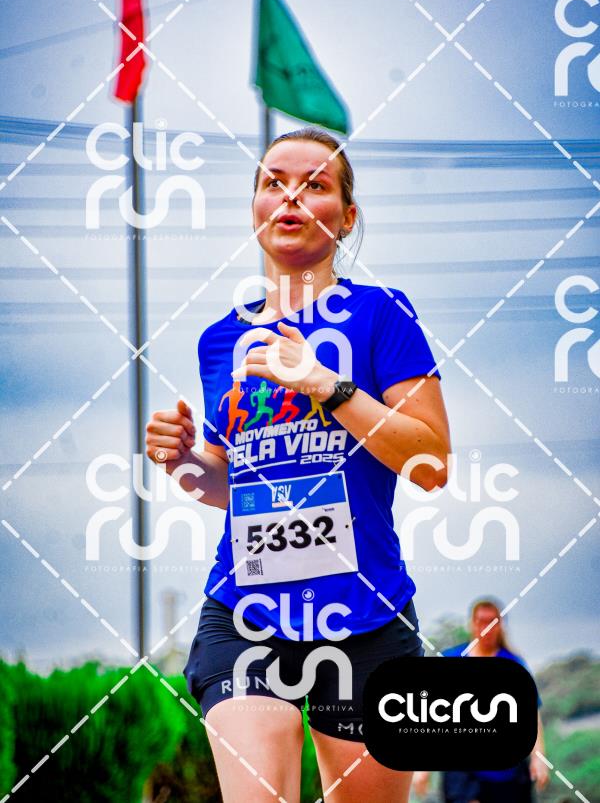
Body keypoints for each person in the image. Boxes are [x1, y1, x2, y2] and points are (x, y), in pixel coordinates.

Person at [146, 126, 451, 803]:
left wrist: (328, 386)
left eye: (314, 184)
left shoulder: (381, 314)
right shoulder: (221, 339)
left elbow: (431, 463)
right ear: (255, 207)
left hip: (368, 614)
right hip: (246, 609)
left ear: (346, 217)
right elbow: (231, 484)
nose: (290, 196)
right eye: (273, 182)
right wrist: (184, 458)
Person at [413, 598, 549, 803]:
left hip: (508, 773)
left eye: (492, 622)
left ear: (501, 626)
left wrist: (538, 758)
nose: (486, 628)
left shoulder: (514, 663)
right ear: (472, 624)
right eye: (481, 621)